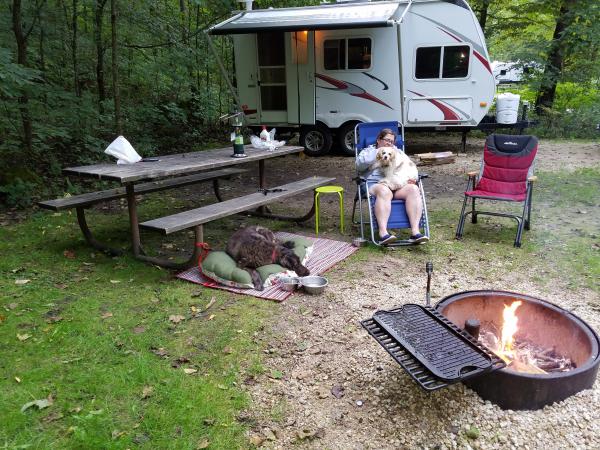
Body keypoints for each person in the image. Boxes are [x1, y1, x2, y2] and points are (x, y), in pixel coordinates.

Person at [356, 128, 428, 245]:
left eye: (392, 141)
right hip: (374, 184)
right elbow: (359, 166)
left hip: (397, 184)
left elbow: (408, 165)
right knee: (384, 191)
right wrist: (379, 151)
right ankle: (383, 234)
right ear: (378, 140)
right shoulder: (368, 151)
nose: (389, 143)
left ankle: (415, 232)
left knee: (414, 189)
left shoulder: (397, 152)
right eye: (387, 140)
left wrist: (412, 177)